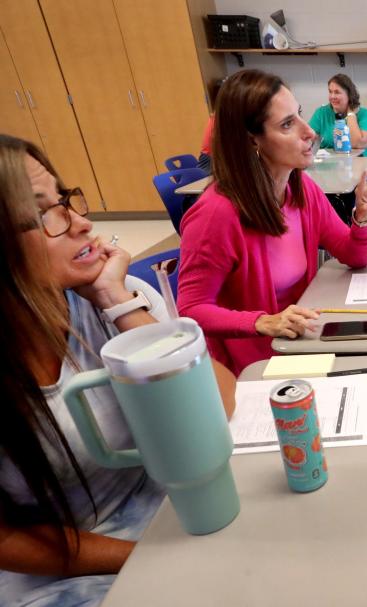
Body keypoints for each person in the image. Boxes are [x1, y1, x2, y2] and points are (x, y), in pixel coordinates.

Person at [0, 134, 236, 605]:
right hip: (76, 567)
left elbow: (221, 405)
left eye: (66, 200)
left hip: (175, 516)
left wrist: (118, 303)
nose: (82, 222)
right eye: (46, 214)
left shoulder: (108, 299)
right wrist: (141, 556)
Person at [178, 69, 367, 375]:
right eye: (288, 124)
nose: (310, 132)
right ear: (252, 141)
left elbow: (353, 255)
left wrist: (362, 219)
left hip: (299, 346)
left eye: (299, 115)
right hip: (251, 367)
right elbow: (191, 311)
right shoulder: (216, 214)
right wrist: (261, 321)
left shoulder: (301, 189)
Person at [308, 73, 367, 158]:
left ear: (349, 95)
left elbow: (356, 144)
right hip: (330, 165)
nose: (332, 96)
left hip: (360, 165)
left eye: (337, 92)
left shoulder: (365, 115)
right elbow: (307, 139)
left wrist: (351, 113)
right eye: (330, 92)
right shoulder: (321, 113)